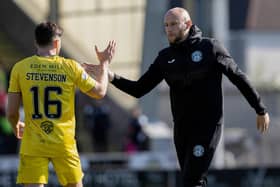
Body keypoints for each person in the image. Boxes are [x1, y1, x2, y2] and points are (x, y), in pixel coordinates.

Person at [84, 7, 270, 187]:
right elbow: (139, 88)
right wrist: (110, 76)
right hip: (181, 128)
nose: (169, 29)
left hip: (207, 127)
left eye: (173, 24)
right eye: (166, 25)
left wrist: (260, 109)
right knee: (193, 179)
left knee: (192, 180)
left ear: (187, 23)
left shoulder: (210, 48)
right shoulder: (165, 57)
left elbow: (239, 77)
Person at [6, 21, 116, 187]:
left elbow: (12, 112)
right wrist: (104, 64)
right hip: (63, 143)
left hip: (33, 143)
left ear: (36, 41)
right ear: (57, 43)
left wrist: (16, 127)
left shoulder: (20, 68)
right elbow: (100, 91)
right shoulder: (71, 67)